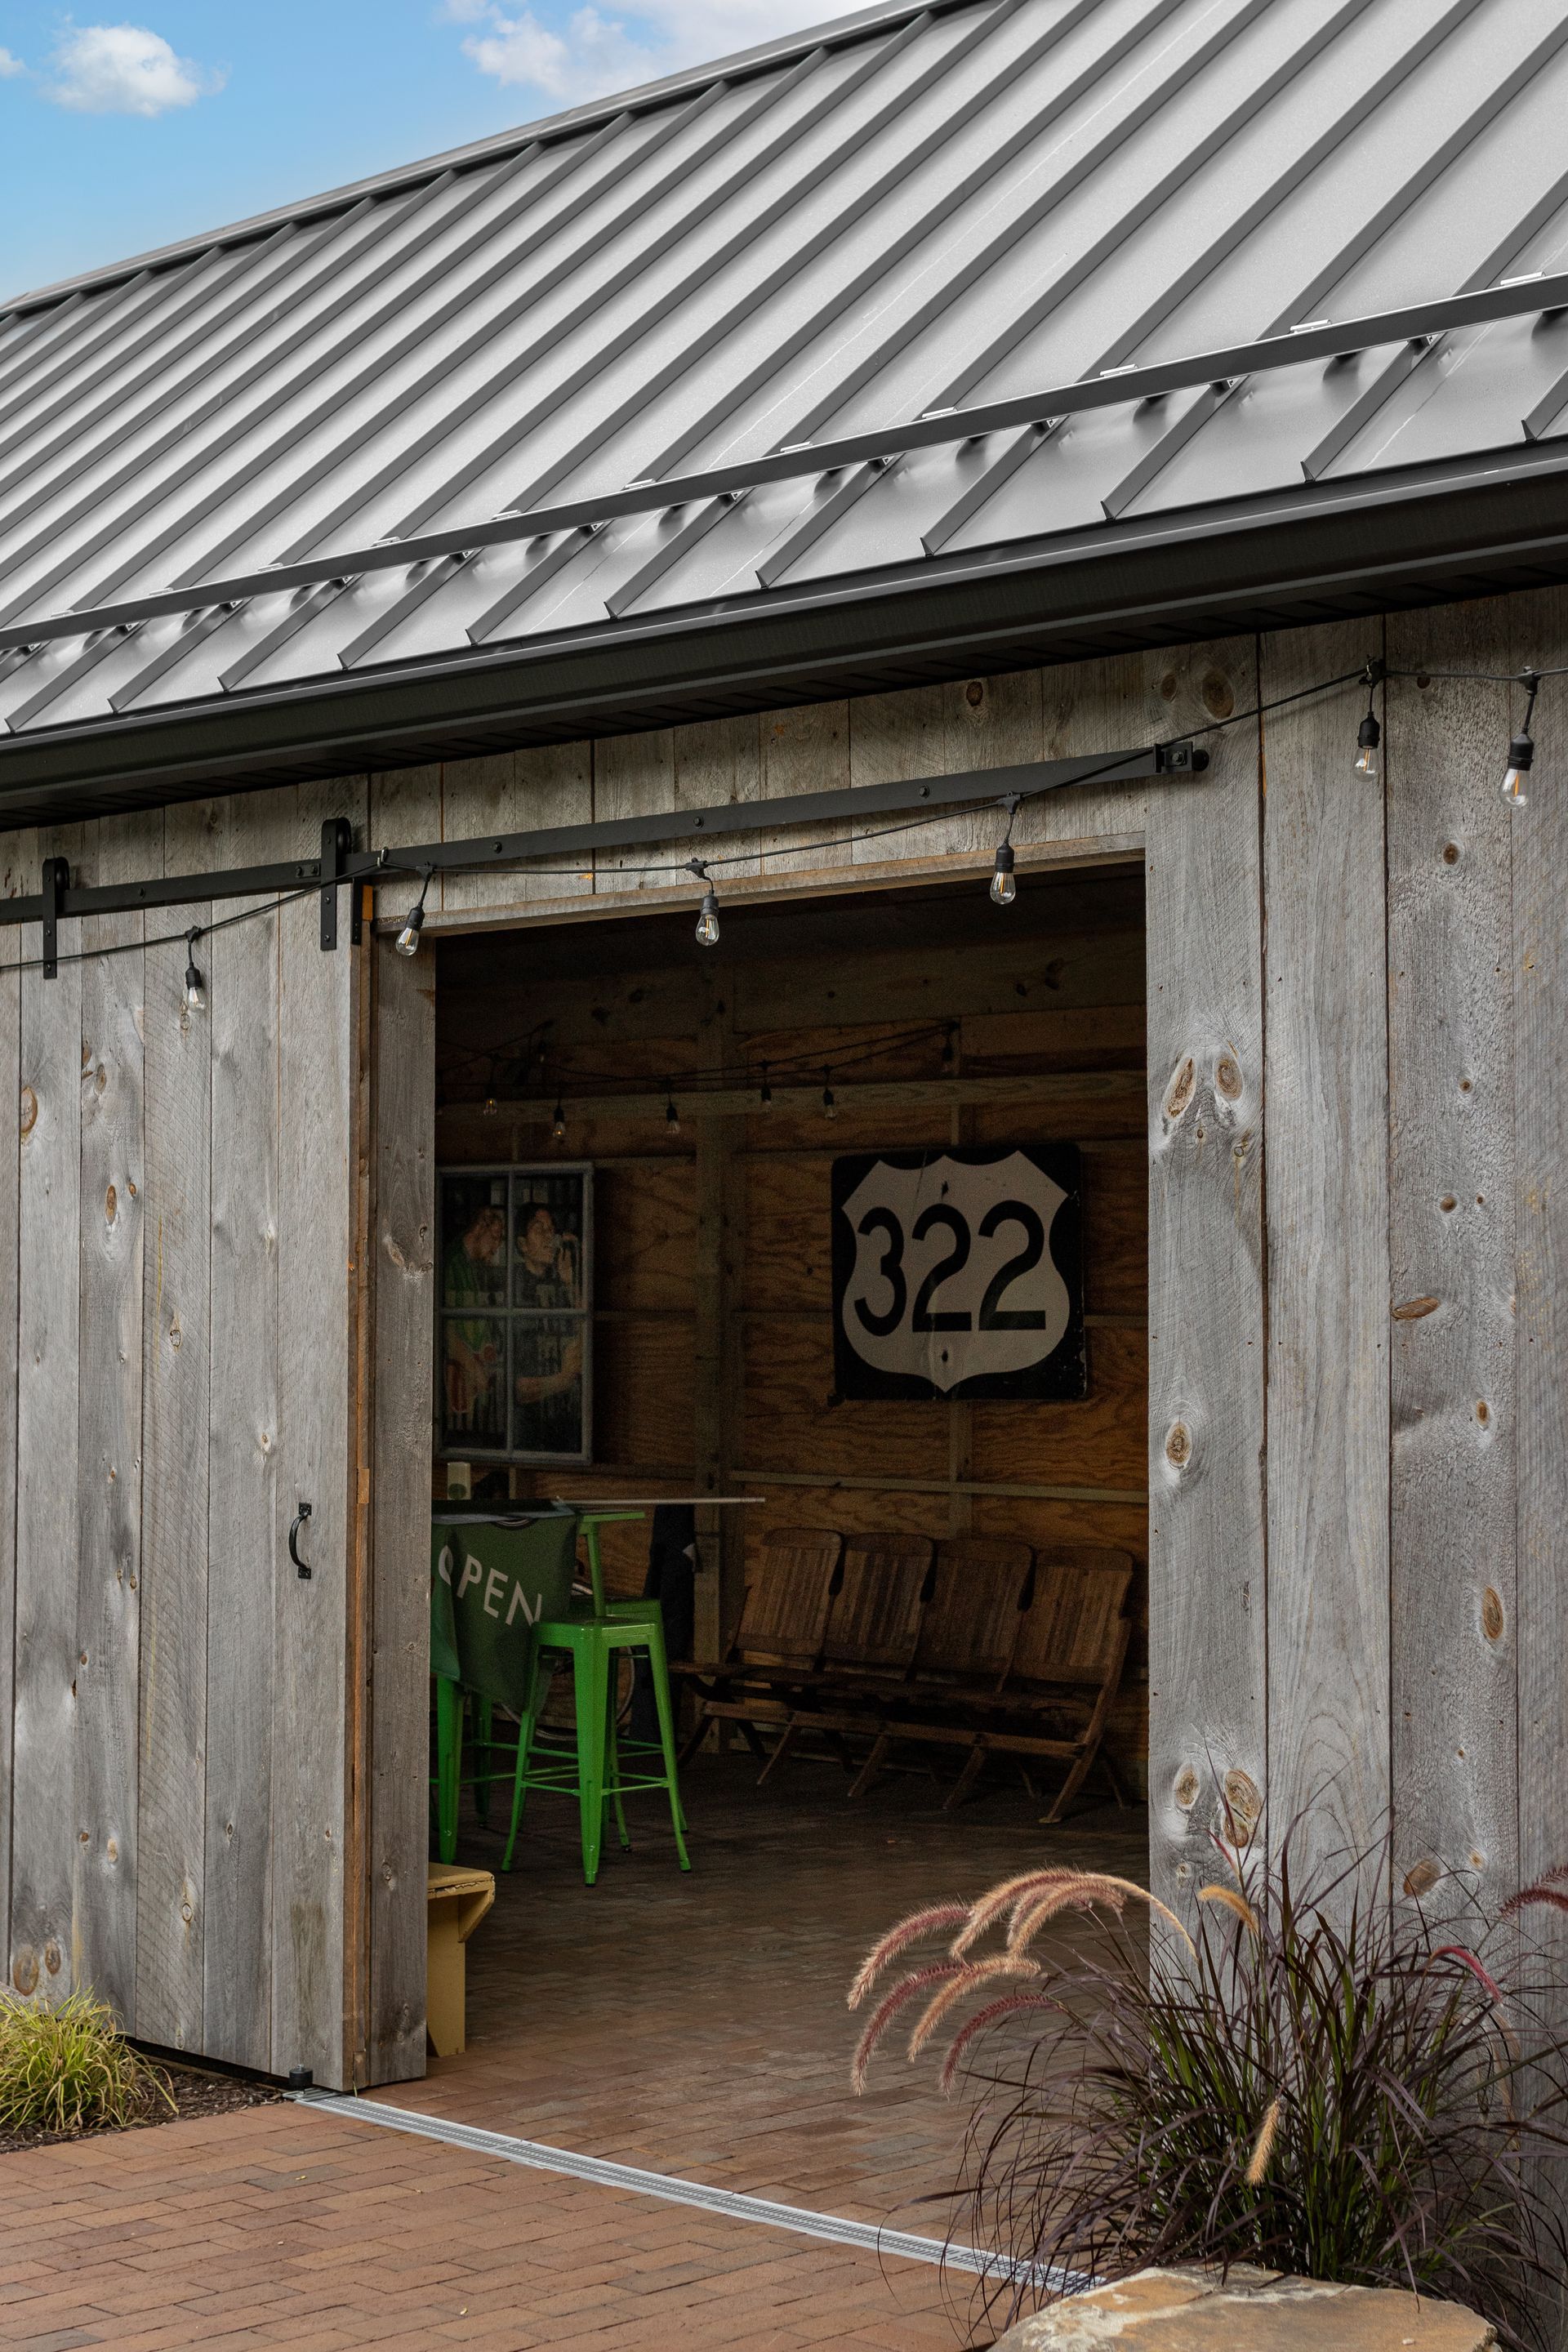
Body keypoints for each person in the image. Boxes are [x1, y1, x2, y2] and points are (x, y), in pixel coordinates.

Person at [513, 1200, 585, 1454]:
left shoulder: (561, 1280)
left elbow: (585, 1334)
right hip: (530, 1432)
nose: (549, 1236)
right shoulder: (516, 1289)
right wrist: (564, 1379)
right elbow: (519, 1389)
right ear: (523, 1244)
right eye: (539, 1229)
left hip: (568, 1427)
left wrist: (570, 1283)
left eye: (551, 1229)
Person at [442, 1199, 506, 1437]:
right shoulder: (453, 1263)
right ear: (479, 1228)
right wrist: (475, 1368)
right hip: (460, 1378)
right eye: (495, 1237)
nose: (497, 1247)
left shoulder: (473, 1266)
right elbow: (448, 1330)